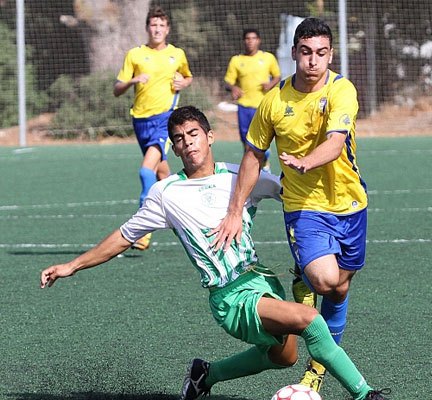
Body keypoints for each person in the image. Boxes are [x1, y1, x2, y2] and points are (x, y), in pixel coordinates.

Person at [39, 106, 390, 400]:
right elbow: (124, 236)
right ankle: (365, 394)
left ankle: (204, 375)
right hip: (230, 297)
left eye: (193, 133)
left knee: (284, 357)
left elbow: (293, 194)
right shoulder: (166, 194)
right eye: (178, 139)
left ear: (209, 137)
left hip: (261, 281)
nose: (187, 142)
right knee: (310, 321)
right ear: (174, 149)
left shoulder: (241, 176)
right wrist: (73, 265)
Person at [210, 17, 368, 393]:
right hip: (304, 205)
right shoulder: (275, 101)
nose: (313, 61)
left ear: (330, 55)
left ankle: (316, 361)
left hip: (350, 203)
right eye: (306, 52)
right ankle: (316, 361)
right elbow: (252, 156)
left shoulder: (342, 90)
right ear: (294, 53)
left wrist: (307, 160)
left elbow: (335, 141)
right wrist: (235, 211)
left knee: (340, 290)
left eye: (322, 54)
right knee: (324, 280)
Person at [114, 5, 193, 251]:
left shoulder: (176, 54)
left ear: (167, 29)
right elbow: (117, 88)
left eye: (161, 25)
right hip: (140, 120)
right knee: (163, 174)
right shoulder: (135, 55)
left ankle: (142, 231)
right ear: (147, 28)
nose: (157, 29)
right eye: (153, 25)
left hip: (165, 119)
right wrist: (133, 81)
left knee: (146, 171)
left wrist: (184, 81)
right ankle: (188, 210)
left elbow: (188, 77)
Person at [224, 28, 281, 172]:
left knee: (261, 139)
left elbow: (277, 76)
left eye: (253, 38)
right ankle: (251, 169)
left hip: (262, 106)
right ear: (244, 41)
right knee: (246, 142)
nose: (250, 41)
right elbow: (228, 82)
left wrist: (270, 84)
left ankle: (265, 166)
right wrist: (234, 88)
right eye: (248, 39)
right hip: (244, 106)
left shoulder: (268, 58)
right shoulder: (236, 60)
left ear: (259, 40)